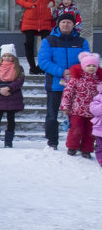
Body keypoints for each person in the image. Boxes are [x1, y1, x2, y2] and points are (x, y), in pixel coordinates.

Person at [37, 12, 91, 150]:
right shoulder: (48, 41)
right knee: (52, 114)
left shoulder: (81, 42)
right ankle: (52, 142)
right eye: (63, 22)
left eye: (69, 22)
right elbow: (43, 62)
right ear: (58, 24)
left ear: (74, 25)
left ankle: (74, 143)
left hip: (78, 86)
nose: (66, 24)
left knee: (78, 116)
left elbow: (87, 61)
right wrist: (61, 72)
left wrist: (74, 72)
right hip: (55, 84)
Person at [59, 52, 101, 158]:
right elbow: (67, 93)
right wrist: (65, 106)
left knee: (90, 132)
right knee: (76, 129)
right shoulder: (76, 79)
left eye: (94, 66)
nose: (91, 68)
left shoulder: (99, 81)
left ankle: (86, 149)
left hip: (94, 112)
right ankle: (72, 147)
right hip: (77, 110)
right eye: (89, 65)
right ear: (83, 66)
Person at [0, 44, 24, 149]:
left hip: (13, 95)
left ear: (14, 57)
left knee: (11, 119)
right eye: (5, 56)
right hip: (0, 95)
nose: (7, 58)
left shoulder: (18, 68)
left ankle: (8, 142)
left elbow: (20, 81)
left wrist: (9, 88)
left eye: (9, 55)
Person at [15, 0, 55, 74]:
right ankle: (32, 67)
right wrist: (29, 5)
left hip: (45, 20)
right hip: (30, 19)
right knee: (29, 43)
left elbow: (52, 0)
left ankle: (41, 66)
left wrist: (52, 3)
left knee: (46, 44)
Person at [91, 84, 102, 169]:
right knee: (100, 145)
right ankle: (101, 159)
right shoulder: (98, 97)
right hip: (100, 128)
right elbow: (94, 110)